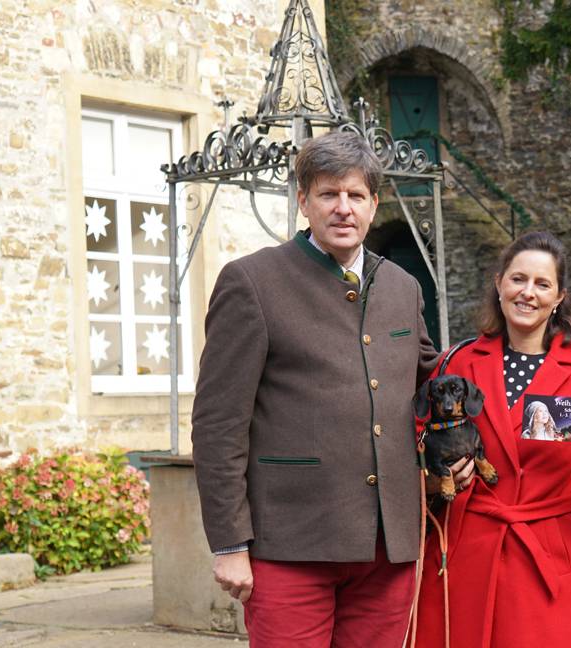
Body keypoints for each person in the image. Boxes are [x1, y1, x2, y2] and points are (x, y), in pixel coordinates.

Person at [191, 131, 439, 647]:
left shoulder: (403, 286)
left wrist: (535, 355)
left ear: (375, 204)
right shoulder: (252, 282)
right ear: (303, 201)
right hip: (290, 541)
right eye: (328, 194)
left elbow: (430, 380)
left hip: (386, 545)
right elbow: (218, 423)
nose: (343, 208)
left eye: (355, 196)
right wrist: (230, 542)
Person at [413, 231, 571, 648]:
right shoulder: (457, 361)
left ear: (559, 297)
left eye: (542, 284)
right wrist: (436, 477)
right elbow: (420, 447)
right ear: (499, 285)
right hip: (467, 549)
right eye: (518, 279)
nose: (527, 293)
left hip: (546, 555)